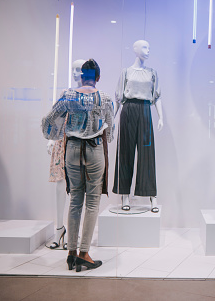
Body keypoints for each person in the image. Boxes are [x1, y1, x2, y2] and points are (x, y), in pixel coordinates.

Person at [41, 59, 113, 272]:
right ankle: (84, 253)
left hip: (71, 148)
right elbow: (111, 130)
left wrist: (54, 134)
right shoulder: (105, 98)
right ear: (98, 77)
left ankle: (71, 254)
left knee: (75, 200)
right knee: (92, 202)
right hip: (94, 148)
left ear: (81, 76)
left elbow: (48, 122)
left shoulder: (68, 96)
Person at [113, 40, 163, 213]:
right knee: (125, 152)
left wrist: (161, 117)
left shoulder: (152, 73)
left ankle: (152, 196)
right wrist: (112, 119)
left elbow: (157, 97)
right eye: (144, 47)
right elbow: (118, 98)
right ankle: (124, 194)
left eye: (149, 47)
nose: (148, 50)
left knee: (147, 153)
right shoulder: (126, 72)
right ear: (135, 50)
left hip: (145, 111)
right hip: (128, 110)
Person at [45, 59, 86, 250]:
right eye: (73, 70)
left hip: (81, 144)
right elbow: (55, 118)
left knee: (77, 189)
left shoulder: (90, 96)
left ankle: (72, 232)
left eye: (80, 70)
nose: (76, 73)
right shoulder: (66, 94)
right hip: (63, 142)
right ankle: (59, 229)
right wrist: (52, 139)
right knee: (60, 186)